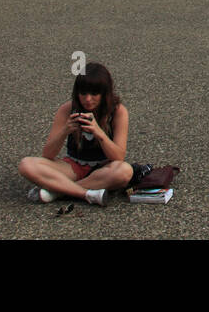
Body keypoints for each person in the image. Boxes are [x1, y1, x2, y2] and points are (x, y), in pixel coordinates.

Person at [18, 62, 132, 205]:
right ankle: (85, 193)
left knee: (125, 171)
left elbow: (118, 157)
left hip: (104, 169)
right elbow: (48, 154)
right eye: (83, 93)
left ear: (105, 93)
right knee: (26, 165)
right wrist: (65, 130)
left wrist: (99, 133)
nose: (88, 99)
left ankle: (57, 191)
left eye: (94, 94)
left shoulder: (118, 112)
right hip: (73, 167)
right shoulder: (67, 109)